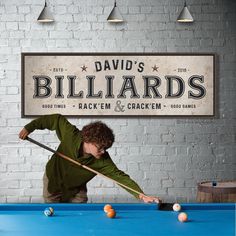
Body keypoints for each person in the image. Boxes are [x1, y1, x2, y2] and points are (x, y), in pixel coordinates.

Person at [19, 114, 161, 204]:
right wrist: (30, 127)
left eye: (106, 148)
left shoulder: (103, 160)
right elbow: (56, 119)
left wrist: (142, 195)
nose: (103, 151)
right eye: (100, 147)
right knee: (55, 218)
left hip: (76, 190)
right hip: (53, 181)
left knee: (80, 219)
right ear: (88, 141)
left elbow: (120, 177)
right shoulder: (71, 135)